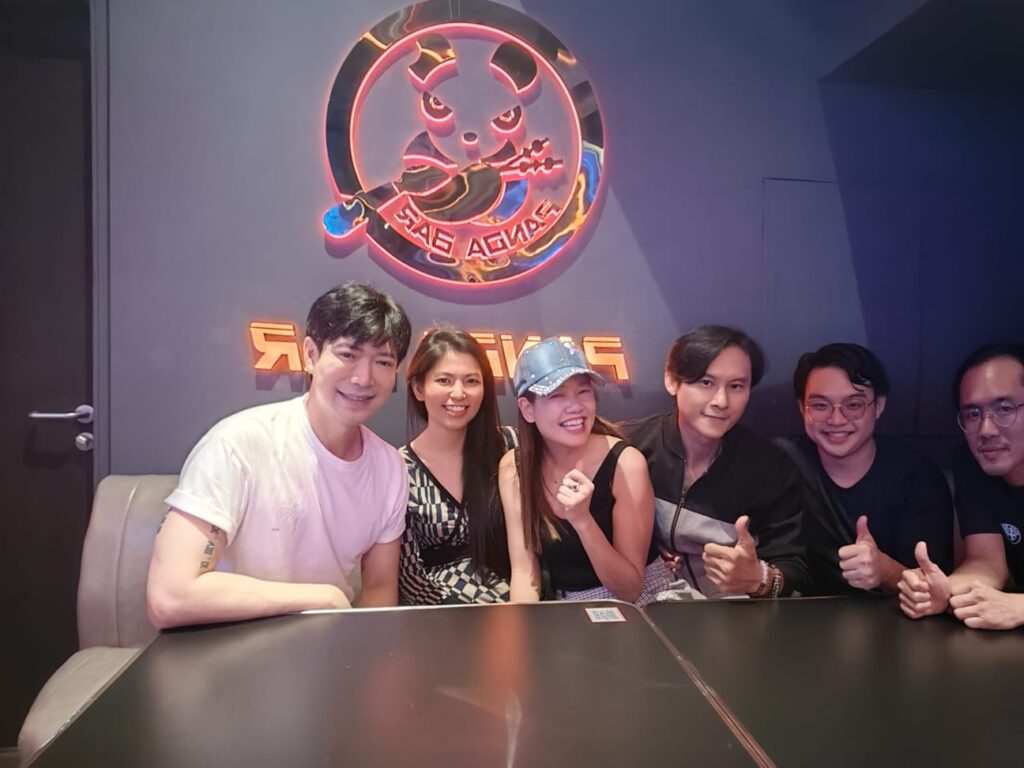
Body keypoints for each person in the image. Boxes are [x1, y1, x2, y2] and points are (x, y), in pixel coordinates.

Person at [147, 282, 412, 628]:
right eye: (348, 354)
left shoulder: (390, 467)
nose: (364, 378)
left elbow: (379, 588)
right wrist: (321, 598)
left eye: (382, 362)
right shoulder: (238, 445)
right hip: (226, 640)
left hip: (325, 644)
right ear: (311, 354)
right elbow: (169, 596)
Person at [622, 325, 809, 599]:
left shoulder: (771, 468)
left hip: (735, 614)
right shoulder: (630, 447)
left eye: (736, 386)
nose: (721, 401)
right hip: (650, 607)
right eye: (706, 383)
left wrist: (760, 578)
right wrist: (645, 548)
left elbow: (795, 568)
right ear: (672, 381)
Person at [500, 337, 670, 604]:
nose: (576, 406)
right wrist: (521, 625)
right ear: (528, 409)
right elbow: (524, 574)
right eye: (557, 395)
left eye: (583, 391)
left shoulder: (626, 463)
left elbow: (630, 590)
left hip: (645, 600)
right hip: (568, 608)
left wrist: (583, 521)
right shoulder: (514, 468)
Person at [780, 343, 954, 595]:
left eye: (854, 405)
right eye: (820, 405)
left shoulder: (916, 475)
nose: (837, 420)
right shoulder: (783, 463)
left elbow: (934, 586)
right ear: (801, 408)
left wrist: (885, 571)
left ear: (879, 405)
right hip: (801, 614)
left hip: (895, 615)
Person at [899, 344, 1024, 629]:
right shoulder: (972, 463)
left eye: (1004, 409)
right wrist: (945, 588)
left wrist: (1021, 607)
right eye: (973, 413)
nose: (986, 430)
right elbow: (988, 561)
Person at [399, 326, 516, 605]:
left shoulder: (508, 447)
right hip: (442, 612)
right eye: (444, 380)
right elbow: (409, 576)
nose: (459, 393)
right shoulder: (400, 468)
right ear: (419, 388)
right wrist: (459, 613)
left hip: (518, 601)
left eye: (472, 381)